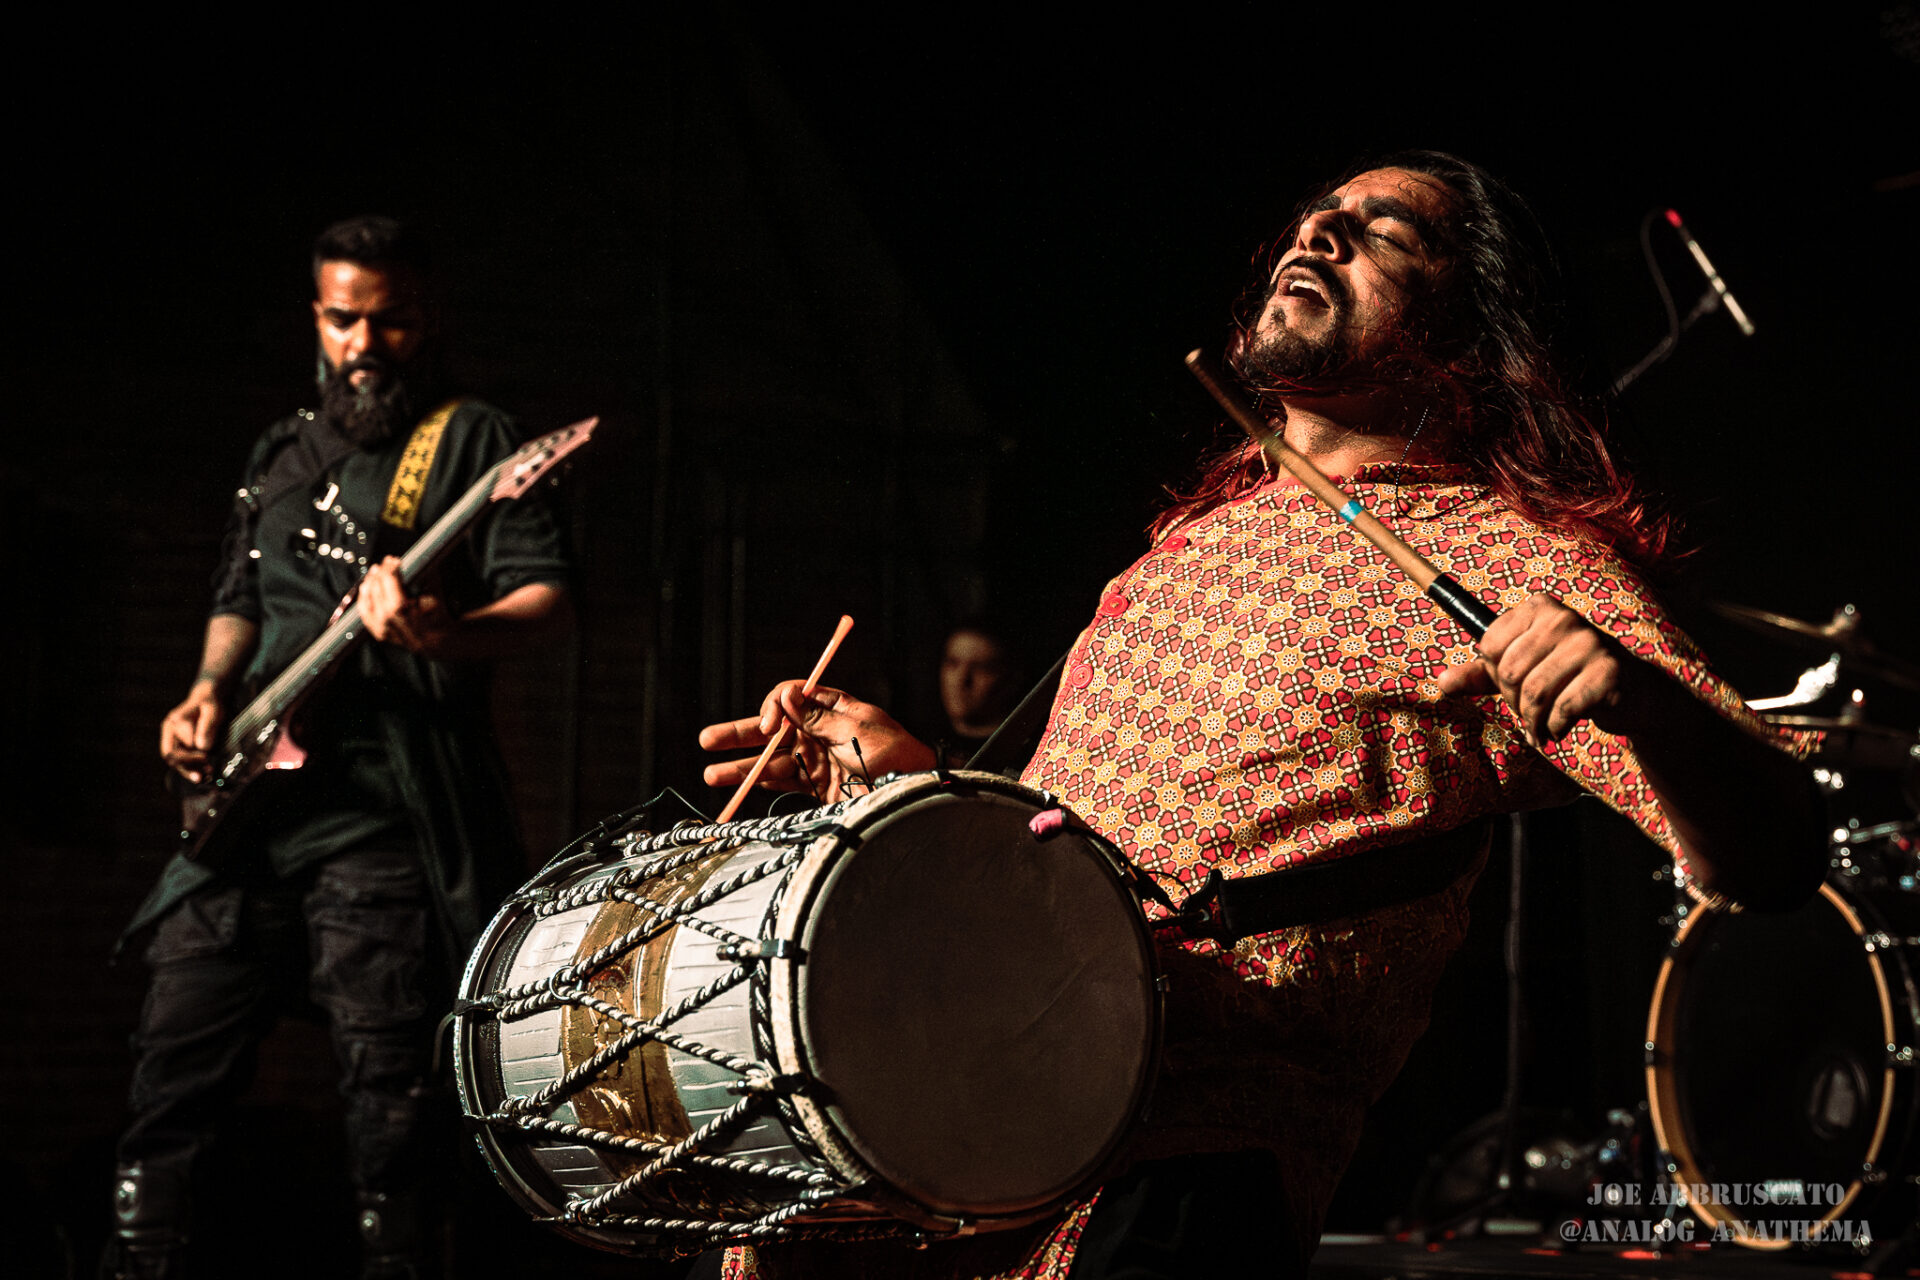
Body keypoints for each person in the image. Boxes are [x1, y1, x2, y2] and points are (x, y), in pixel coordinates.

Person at [697, 152, 1825, 1279]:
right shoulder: (1181, 549)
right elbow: (1048, 857)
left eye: (1383, 232)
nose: (1318, 235)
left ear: (1468, 330)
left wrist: (1651, 707)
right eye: (1315, 218)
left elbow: (1777, 858)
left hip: (1181, 1168)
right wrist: (916, 780)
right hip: (970, 1123)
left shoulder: (1512, 559)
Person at [106, 216, 574, 1280]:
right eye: (343, 320)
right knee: (168, 1077)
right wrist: (204, 693)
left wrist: (440, 631)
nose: (364, 345)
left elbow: (548, 600)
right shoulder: (280, 450)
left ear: (428, 317)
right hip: (247, 811)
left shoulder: (474, 440)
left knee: (389, 1103)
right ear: (316, 318)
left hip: (382, 811)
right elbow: (238, 592)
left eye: (390, 320)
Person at [935, 618, 1025, 767]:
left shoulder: (1024, 754)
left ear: (1011, 678)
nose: (961, 679)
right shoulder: (918, 741)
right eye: (953, 663)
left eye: (981, 668)